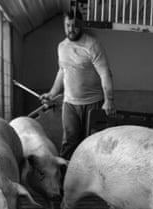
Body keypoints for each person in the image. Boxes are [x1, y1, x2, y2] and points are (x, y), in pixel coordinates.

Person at [40, 9, 116, 160]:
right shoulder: (61, 47)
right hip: (70, 104)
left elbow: (105, 73)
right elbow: (62, 71)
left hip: (94, 102)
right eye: (67, 25)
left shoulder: (92, 45)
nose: (71, 29)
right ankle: (66, 179)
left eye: (74, 25)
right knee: (69, 142)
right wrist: (51, 94)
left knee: (94, 144)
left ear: (81, 24)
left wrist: (109, 100)